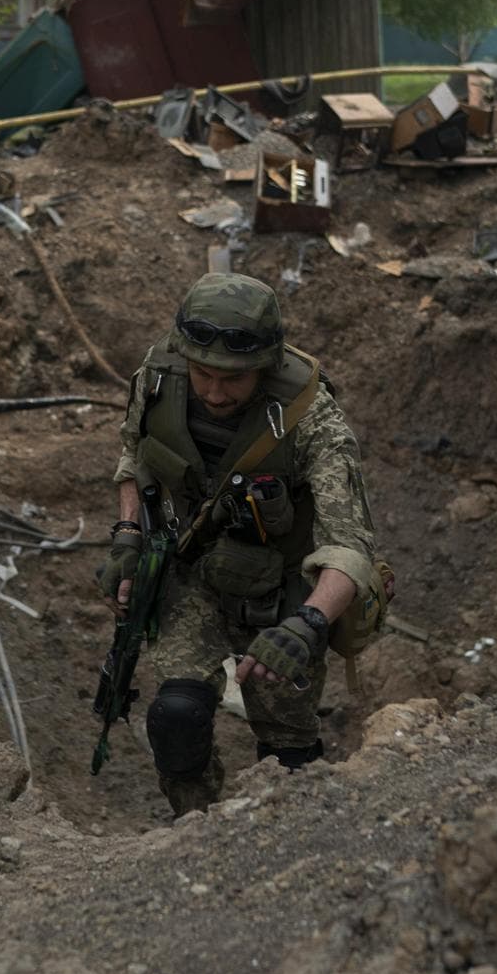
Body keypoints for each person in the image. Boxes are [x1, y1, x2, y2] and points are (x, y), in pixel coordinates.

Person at [102, 271, 381, 816]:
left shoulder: (312, 419)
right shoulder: (158, 378)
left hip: (281, 591)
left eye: (233, 379)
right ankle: (195, 826)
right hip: (193, 576)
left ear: (266, 367)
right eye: (202, 373)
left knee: (290, 751)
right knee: (177, 717)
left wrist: (310, 623)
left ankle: (291, 835)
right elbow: (132, 457)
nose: (214, 391)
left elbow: (349, 546)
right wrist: (129, 535)